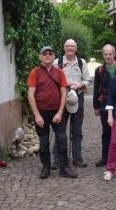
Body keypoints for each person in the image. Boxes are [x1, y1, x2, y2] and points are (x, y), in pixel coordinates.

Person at [27, 46, 77, 179]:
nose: (47, 56)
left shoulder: (59, 72)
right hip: (41, 112)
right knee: (43, 141)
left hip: (56, 111)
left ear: (53, 56)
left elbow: (63, 92)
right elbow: (31, 95)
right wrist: (37, 115)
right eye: (45, 54)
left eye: (50, 53)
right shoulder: (35, 73)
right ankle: (46, 167)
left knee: (62, 139)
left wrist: (60, 112)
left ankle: (64, 168)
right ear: (40, 57)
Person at [51, 39, 90, 169]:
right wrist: (66, 84)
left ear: (76, 48)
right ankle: (58, 159)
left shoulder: (81, 62)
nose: (70, 48)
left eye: (72, 46)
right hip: (62, 98)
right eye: (68, 46)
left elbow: (87, 80)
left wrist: (80, 85)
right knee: (60, 130)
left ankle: (77, 158)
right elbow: (53, 79)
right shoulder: (57, 62)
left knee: (77, 130)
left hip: (78, 97)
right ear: (64, 48)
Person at [93, 44, 116, 167]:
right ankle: (105, 157)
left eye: (110, 54)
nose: (108, 56)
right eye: (105, 54)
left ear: (114, 54)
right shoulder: (99, 70)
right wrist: (96, 106)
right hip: (105, 104)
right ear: (103, 55)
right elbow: (96, 88)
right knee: (106, 131)